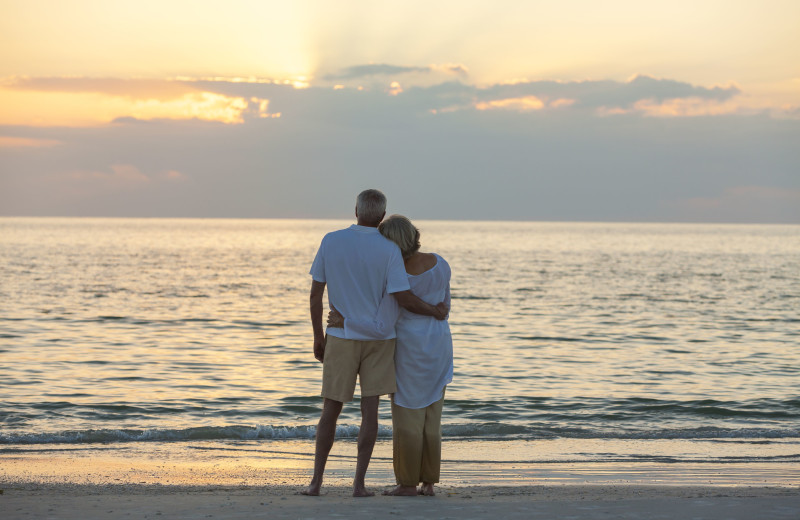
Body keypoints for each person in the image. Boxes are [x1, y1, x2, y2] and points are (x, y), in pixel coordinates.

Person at [303, 190, 448, 498]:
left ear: (355, 209)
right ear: (382, 216)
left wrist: (318, 336)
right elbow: (400, 296)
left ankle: (316, 483)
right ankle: (359, 484)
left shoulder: (331, 240)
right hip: (381, 341)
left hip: (341, 338)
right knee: (370, 413)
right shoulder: (390, 250)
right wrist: (436, 310)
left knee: (330, 410)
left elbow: (316, 294)